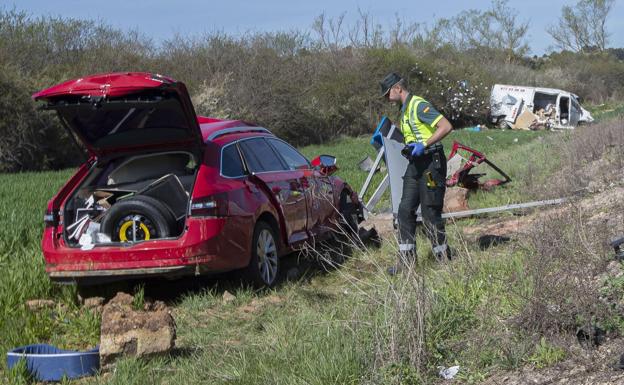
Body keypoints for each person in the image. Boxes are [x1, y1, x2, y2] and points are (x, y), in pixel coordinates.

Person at [379, 72, 453, 273]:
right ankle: (407, 263)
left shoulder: (419, 105)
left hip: (431, 162)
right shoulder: (404, 109)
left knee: (430, 212)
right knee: (404, 210)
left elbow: (446, 126)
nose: (387, 98)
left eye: (387, 93)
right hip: (415, 164)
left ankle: (444, 259)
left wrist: (424, 144)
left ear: (398, 88)